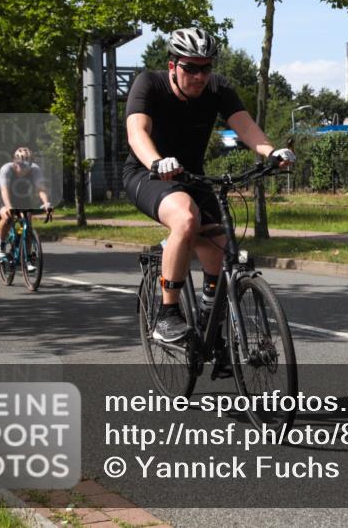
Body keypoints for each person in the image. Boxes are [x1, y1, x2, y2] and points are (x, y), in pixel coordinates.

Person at [122, 27, 295, 343]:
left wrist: (272, 153)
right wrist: (157, 162)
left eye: (206, 67)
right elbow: (137, 132)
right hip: (147, 173)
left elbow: (246, 127)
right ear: (173, 66)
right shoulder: (149, 83)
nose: (199, 76)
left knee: (218, 243)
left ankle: (208, 319)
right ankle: (168, 314)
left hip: (193, 174)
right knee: (187, 218)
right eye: (190, 67)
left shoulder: (218, 88)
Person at [0, 147, 54, 258]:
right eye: (21, 165)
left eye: (27, 165)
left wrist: (46, 203)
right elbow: (4, 190)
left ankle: (27, 257)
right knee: (7, 218)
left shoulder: (34, 169)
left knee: (27, 225)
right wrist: (9, 207)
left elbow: (40, 188)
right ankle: (1, 244)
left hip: (23, 197)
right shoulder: (6, 169)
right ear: (15, 162)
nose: (24, 169)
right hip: (5, 197)